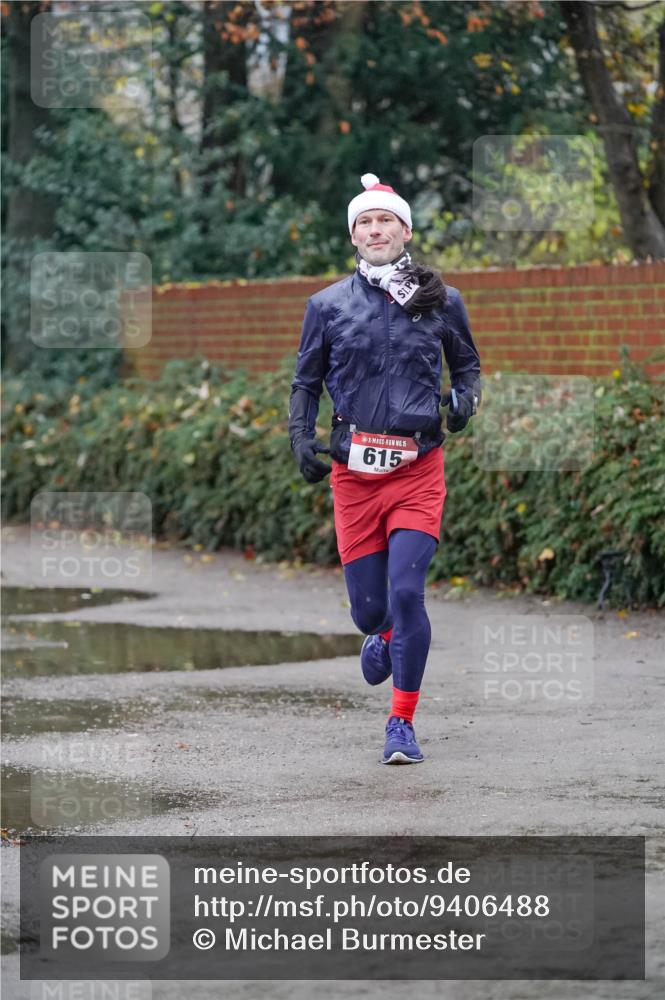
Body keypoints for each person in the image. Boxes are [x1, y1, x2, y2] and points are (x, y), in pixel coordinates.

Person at [288, 173, 481, 764]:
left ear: (405, 231)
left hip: (418, 467)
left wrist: (463, 402)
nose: (375, 231)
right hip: (354, 474)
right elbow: (306, 381)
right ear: (354, 235)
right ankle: (381, 634)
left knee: (407, 592)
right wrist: (301, 436)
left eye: (385, 222)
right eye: (365, 223)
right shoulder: (326, 306)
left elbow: (468, 367)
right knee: (371, 610)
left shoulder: (440, 300)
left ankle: (401, 723)